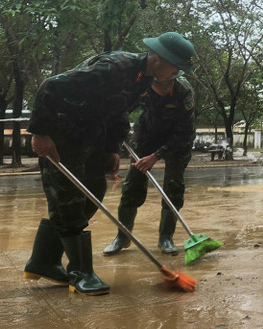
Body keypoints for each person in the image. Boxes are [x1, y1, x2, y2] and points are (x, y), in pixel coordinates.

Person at [23, 32, 195, 295]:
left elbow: (117, 113)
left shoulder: (143, 79)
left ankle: (43, 262)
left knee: (94, 193)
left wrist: (112, 149)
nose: (176, 74)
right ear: (159, 59)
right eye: (175, 67)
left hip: (92, 140)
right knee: (69, 201)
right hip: (62, 139)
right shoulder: (115, 67)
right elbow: (50, 85)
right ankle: (81, 273)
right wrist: (40, 132)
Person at [103, 73, 196, 257]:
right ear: (153, 82)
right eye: (162, 85)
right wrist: (114, 141)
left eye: (170, 83)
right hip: (147, 134)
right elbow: (118, 112)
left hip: (178, 139)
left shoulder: (184, 90)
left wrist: (156, 156)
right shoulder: (140, 86)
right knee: (132, 186)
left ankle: (165, 238)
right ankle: (123, 236)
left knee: (174, 187)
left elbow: (185, 133)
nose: (167, 89)